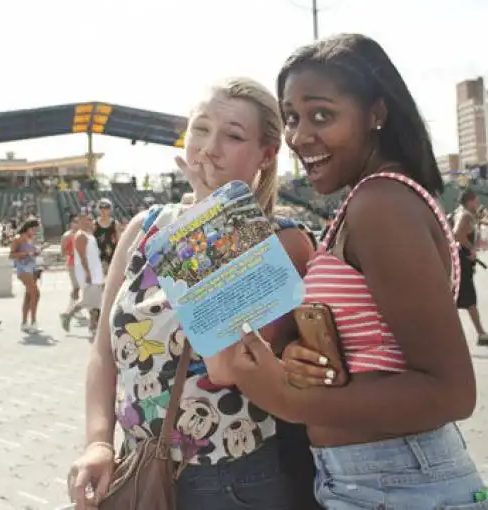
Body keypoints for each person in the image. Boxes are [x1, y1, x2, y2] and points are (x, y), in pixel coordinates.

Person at [229, 33, 488, 508]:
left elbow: (452, 391)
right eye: (291, 118)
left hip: (401, 482)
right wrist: (296, 353)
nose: (300, 135)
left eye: (322, 115)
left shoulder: (382, 204)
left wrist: (290, 400)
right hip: (377, 480)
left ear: (377, 114)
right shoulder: (365, 202)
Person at [68, 77, 317, 510]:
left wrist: (210, 213)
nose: (209, 147)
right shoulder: (143, 229)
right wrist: (98, 443)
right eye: (200, 128)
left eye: (233, 135)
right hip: (142, 465)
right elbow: (103, 350)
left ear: (267, 153)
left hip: (233, 479)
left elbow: (226, 367)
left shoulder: (284, 242)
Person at [452, 188, 488, 346]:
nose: (477, 204)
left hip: (460, 260)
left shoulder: (460, 212)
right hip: (463, 261)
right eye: (476, 201)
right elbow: (457, 233)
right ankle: (481, 334)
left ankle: (480, 333)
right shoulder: (465, 215)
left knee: (461, 298)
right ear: (470, 201)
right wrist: (471, 248)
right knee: (469, 298)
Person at [61, 211, 103, 335]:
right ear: (81, 221)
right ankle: (68, 314)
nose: (90, 222)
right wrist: (87, 272)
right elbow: (82, 256)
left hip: (95, 271)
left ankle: (92, 326)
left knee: (96, 301)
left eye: (91, 219)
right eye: (87, 220)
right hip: (87, 273)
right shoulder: (80, 236)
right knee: (90, 300)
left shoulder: (90, 235)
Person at [9, 218, 42, 333]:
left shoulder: (31, 239)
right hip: (23, 269)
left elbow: (32, 253)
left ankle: (24, 323)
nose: (35, 231)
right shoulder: (18, 239)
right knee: (35, 294)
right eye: (34, 229)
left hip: (31, 268)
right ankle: (33, 321)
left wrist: (37, 251)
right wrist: (26, 253)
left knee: (29, 295)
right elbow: (11, 255)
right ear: (28, 228)